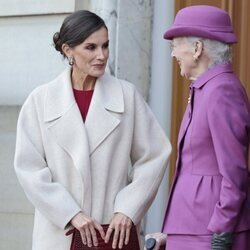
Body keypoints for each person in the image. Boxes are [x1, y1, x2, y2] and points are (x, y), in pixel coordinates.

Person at [14, 10, 171, 250]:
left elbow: (154, 155)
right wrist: (70, 213)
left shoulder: (126, 96)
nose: (101, 55)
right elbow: (29, 168)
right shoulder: (40, 101)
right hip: (60, 234)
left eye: (105, 46)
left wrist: (127, 209)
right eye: (91, 47)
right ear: (68, 51)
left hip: (113, 235)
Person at [145, 5, 250, 250]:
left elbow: (234, 172)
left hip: (209, 234)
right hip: (192, 230)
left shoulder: (222, 90)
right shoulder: (206, 89)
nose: (173, 54)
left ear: (197, 48)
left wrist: (221, 234)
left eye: (175, 46)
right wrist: (171, 234)